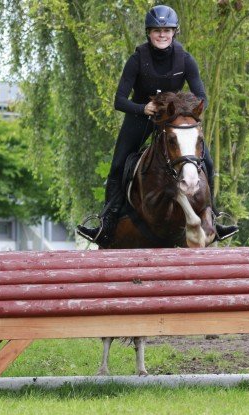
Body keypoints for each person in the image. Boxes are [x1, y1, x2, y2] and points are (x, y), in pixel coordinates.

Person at [76, 4, 238, 245]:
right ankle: (107, 223)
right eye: (156, 30)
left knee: (208, 161)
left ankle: (212, 217)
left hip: (172, 120)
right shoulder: (136, 59)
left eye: (167, 30)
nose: (162, 35)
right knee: (119, 164)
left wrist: (182, 111)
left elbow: (201, 96)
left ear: (175, 32)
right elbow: (118, 100)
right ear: (148, 33)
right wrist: (142, 108)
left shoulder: (185, 59)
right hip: (140, 118)